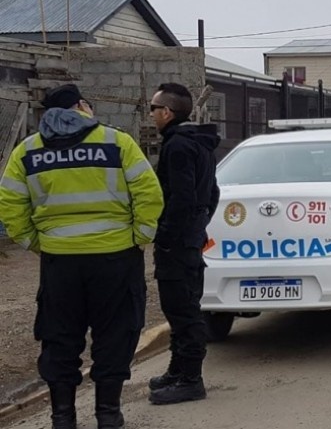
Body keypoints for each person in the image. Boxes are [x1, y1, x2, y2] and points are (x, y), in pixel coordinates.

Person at [0, 84, 163, 429]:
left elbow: (11, 205)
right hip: (116, 258)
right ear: (81, 107)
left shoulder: (27, 151)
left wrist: (34, 242)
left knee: (59, 336)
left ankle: (63, 418)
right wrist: (141, 236)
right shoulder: (116, 142)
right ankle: (107, 414)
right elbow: (148, 192)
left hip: (60, 262)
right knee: (115, 333)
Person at [147, 83, 220, 405]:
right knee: (179, 308)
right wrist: (199, 226)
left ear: (167, 112)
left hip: (178, 242)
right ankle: (177, 370)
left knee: (184, 310)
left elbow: (182, 197)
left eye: (153, 108)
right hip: (190, 237)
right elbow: (212, 193)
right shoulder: (198, 143)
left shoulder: (178, 145)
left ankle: (191, 379)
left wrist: (167, 234)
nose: (151, 114)